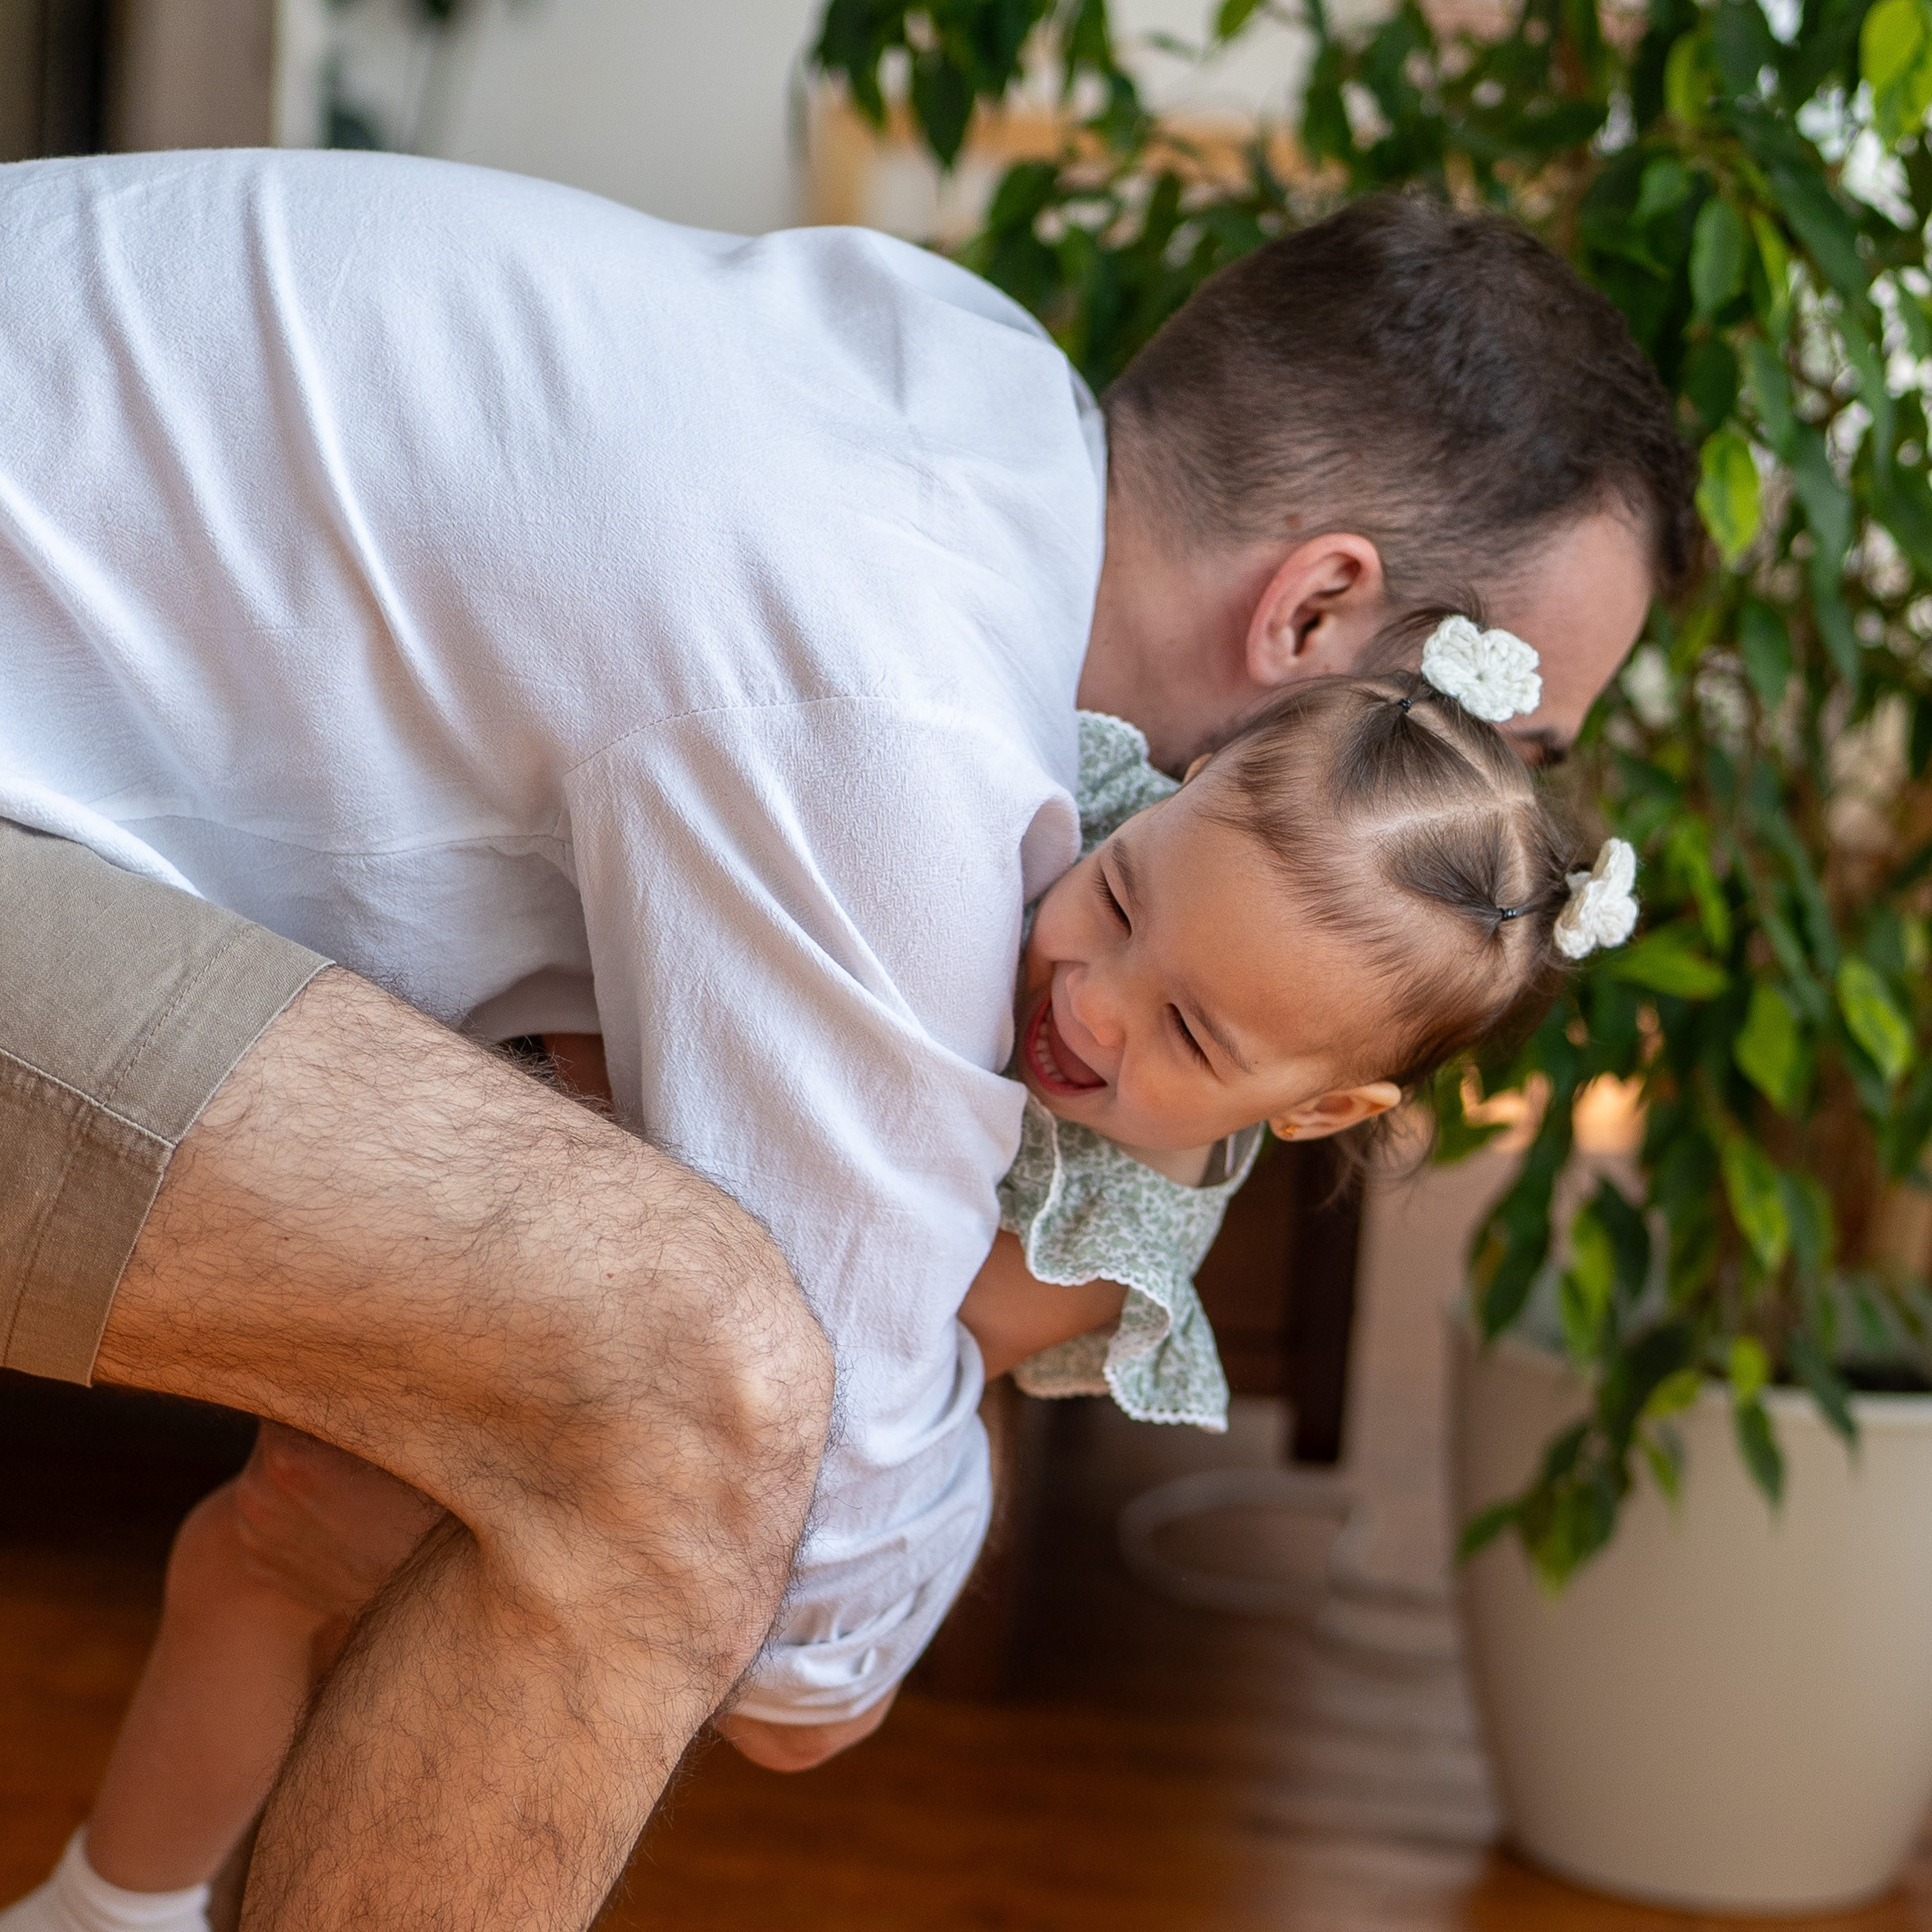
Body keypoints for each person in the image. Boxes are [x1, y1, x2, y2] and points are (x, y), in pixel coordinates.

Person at [0, 146, 1694, 1930]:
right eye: (1473, 739)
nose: (1456, 818)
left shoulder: (953, 377)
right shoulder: (898, 725)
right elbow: (812, 1648)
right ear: (1314, 615)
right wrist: (982, 1319)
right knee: (684, 1375)